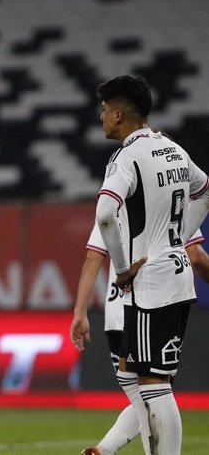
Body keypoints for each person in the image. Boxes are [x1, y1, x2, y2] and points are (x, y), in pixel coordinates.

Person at [94, 75, 209, 455]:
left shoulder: (127, 156)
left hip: (152, 283)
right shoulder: (173, 149)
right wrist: (177, 240)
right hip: (176, 277)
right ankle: (112, 448)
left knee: (153, 382)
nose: (102, 118)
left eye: (105, 110)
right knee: (130, 371)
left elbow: (106, 214)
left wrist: (123, 268)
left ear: (119, 114)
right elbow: (204, 189)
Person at [72, 223, 209, 455]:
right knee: (156, 392)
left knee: (144, 394)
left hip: (115, 315)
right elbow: (195, 256)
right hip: (151, 306)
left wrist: (80, 312)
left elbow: (93, 257)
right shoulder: (172, 198)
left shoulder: (113, 205)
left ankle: (103, 450)